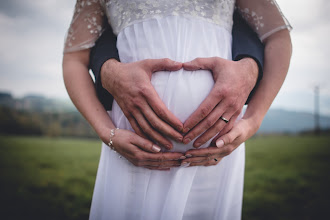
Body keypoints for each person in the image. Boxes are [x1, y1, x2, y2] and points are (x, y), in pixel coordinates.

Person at [62, 0, 292, 219]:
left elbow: (278, 37)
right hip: (133, 151)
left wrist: (253, 119)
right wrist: (106, 131)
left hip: (215, 156)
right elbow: (75, 58)